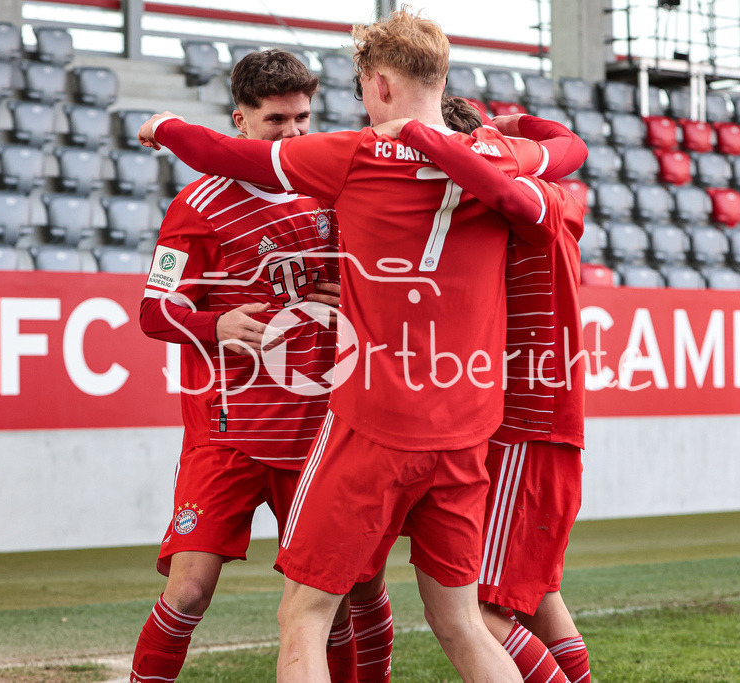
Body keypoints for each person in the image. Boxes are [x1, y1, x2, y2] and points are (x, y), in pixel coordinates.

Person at [137, 8, 579, 681]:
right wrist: (504, 131)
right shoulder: (501, 161)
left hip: (373, 423)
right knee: (460, 620)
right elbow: (569, 150)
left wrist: (163, 127)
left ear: (377, 85)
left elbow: (231, 154)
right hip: (463, 428)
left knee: (307, 613)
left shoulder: (355, 157)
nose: (295, 129)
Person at [131, 49, 381, 683]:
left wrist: (351, 294)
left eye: (303, 118)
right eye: (277, 121)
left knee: (349, 595)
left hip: (320, 435)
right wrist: (212, 325)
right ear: (239, 119)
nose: (294, 134)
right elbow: (155, 311)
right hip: (228, 434)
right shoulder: (197, 207)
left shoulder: (332, 190)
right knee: (188, 592)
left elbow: (376, 287)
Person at [392, 110, 592, 682]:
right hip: (540, 417)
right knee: (540, 597)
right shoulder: (551, 195)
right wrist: (517, 120)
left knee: (479, 608)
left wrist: (416, 131)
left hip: (528, 423)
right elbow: (563, 141)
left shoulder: (521, 197)